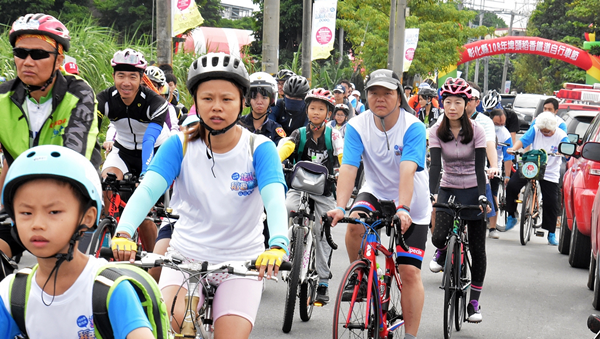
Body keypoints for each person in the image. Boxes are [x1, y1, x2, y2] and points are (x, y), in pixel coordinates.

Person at [110, 53, 289, 338]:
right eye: (207, 99)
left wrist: (278, 244)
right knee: (174, 324)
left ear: (242, 102)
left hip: (241, 264)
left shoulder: (259, 148)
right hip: (185, 258)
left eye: (227, 99)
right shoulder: (178, 145)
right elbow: (147, 190)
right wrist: (123, 232)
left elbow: (275, 198)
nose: (216, 107)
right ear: (196, 102)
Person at [0, 145, 154, 338]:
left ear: (88, 217)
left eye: (54, 212)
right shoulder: (11, 293)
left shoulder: (109, 290)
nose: (37, 224)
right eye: (26, 213)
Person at [327, 69, 431, 339]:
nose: (380, 98)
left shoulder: (413, 127)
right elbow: (349, 168)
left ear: (399, 95)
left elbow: (407, 170)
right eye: (374, 92)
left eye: (387, 93)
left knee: (408, 272)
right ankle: (361, 277)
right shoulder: (357, 125)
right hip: (374, 191)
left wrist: (404, 209)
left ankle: (410, 336)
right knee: (354, 225)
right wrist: (340, 206)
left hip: (411, 201)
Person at [0, 13, 101, 262]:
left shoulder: (79, 94)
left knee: (57, 273)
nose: (27, 61)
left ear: (59, 60)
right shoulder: (2, 97)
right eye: (20, 53)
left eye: (39, 54)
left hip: (70, 200)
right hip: (22, 204)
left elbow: (72, 162)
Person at [97, 48, 171, 253]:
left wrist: (146, 173)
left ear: (141, 78)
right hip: (124, 151)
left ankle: (152, 261)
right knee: (107, 180)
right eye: (120, 76)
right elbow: (90, 128)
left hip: (153, 150)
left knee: (143, 210)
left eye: (132, 76)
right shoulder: (105, 98)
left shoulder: (154, 101)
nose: (126, 82)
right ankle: (109, 221)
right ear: (114, 77)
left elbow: (149, 139)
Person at [428, 77, 489, 323]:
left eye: (458, 102)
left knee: (477, 248)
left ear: (467, 104)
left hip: (475, 189)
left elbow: (479, 167)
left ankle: (473, 303)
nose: (452, 107)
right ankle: (443, 251)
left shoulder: (477, 130)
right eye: (448, 102)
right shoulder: (435, 130)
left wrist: (483, 195)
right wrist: (433, 193)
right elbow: (435, 167)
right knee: (438, 236)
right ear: (442, 104)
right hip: (448, 187)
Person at [278, 88, 343, 305]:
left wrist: (343, 173)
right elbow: (283, 149)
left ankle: (323, 280)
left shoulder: (333, 135)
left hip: (325, 192)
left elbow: (344, 157)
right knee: (286, 207)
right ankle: (286, 251)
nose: (316, 112)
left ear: (329, 113)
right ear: (307, 110)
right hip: (299, 188)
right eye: (312, 108)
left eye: (321, 109)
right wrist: (274, 162)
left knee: (322, 232)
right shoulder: (298, 134)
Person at [504, 112, 568, 245]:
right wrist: (513, 148)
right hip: (532, 164)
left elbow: (567, 150)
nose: (545, 133)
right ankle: (511, 215)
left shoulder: (561, 135)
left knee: (551, 202)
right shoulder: (535, 130)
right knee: (512, 186)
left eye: (548, 132)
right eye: (543, 131)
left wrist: (563, 153)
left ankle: (551, 233)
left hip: (550, 171)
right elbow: (523, 141)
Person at [488, 109, 514, 239]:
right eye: (497, 124)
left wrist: (507, 175)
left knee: (492, 196)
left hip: (494, 168)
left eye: (502, 124)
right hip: (478, 164)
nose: (499, 126)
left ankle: (492, 228)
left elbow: (508, 157)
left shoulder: (505, 134)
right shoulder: (483, 127)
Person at [241, 72, 286, 145]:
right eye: (254, 97)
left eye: (264, 97)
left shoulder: (275, 129)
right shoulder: (239, 125)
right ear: (248, 99)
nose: (259, 102)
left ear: (271, 100)